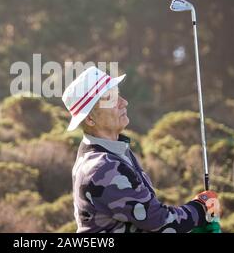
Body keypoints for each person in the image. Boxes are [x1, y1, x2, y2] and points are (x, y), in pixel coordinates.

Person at [62, 66, 219, 233]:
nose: (123, 102)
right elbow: (157, 221)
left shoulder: (115, 152)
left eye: (118, 94)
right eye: (111, 99)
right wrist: (200, 209)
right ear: (90, 119)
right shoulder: (101, 167)